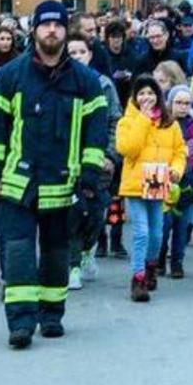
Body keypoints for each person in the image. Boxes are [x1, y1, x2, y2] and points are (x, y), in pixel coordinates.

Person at [0, 0, 110, 349]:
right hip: (17, 183)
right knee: (19, 253)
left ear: (66, 31)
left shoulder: (86, 81)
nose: (51, 30)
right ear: (34, 30)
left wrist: (89, 178)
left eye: (57, 25)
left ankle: (51, 315)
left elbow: (96, 135)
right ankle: (21, 323)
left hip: (63, 185)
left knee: (56, 254)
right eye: (45, 24)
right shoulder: (11, 75)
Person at [115, 75, 188, 302]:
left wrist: (176, 170)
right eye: (141, 93)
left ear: (158, 96)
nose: (146, 97)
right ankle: (137, 279)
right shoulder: (126, 122)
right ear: (134, 97)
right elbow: (128, 149)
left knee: (157, 233)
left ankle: (150, 268)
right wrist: (143, 120)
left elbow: (180, 151)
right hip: (135, 185)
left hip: (158, 181)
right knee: (142, 232)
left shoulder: (170, 123)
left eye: (150, 93)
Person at [66, 32, 119, 290]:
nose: (77, 57)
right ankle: (72, 265)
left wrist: (109, 154)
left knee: (96, 214)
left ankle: (88, 249)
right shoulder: (60, 82)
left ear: (90, 54)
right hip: (66, 161)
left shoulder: (103, 84)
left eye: (81, 52)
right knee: (72, 215)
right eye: (71, 53)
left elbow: (114, 121)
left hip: (96, 159)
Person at [160, 84, 193, 278]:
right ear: (170, 103)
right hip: (164, 178)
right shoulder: (162, 124)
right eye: (178, 102)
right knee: (164, 224)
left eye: (187, 103)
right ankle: (159, 258)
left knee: (182, 225)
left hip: (187, 181)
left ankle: (177, 261)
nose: (183, 107)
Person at [103, 19, 144, 105]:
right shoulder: (103, 56)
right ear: (108, 38)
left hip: (128, 93)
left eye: (119, 36)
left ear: (123, 38)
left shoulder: (131, 54)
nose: (116, 40)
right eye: (113, 37)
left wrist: (131, 75)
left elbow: (137, 73)